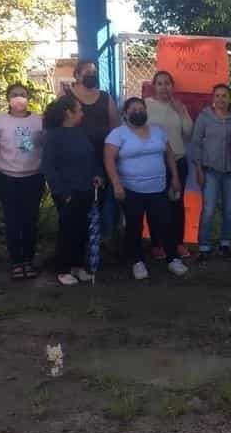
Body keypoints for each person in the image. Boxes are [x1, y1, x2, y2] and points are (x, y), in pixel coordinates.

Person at [104, 98, 187, 280]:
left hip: (158, 188)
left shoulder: (158, 132)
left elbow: (170, 155)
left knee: (165, 224)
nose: (138, 111)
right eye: (134, 109)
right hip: (131, 190)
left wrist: (174, 177)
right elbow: (109, 159)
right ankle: (137, 262)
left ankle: (173, 259)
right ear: (125, 113)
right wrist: (116, 183)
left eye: (141, 108)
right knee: (134, 226)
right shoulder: (118, 134)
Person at [41, 95, 103, 285]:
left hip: (85, 189)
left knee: (82, 229)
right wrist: (62, 192)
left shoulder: (80, 132)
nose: (82, 113)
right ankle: (63, 269)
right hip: (67, 192)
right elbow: (48, 167)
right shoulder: (53, 135)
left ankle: (78, 266)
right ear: (68, 113)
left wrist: (97, 174)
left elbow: (91, 157)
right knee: (68, 230)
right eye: (79, 109)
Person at [0, 84, 44, 280]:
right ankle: (16, 262)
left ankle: (28, 261)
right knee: (12, 221)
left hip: (34, 178)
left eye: (22, 94)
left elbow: (45, 147)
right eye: (14, 95)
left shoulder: (39, 121)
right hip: (7, 178)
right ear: (8, 99)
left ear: (28, 97)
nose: (19, 98)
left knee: (30, 221)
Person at [145, 71, 194, 259]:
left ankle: (178, 243)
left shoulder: (179, 106)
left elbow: (188, 133)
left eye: (167, 83)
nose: (164, 87)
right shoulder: (146, 105)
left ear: (172, 86)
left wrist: (181, 112)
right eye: (159, 83)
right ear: (154, 86)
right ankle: (157, 244)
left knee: (176, 204)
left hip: (179, 161)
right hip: (155, 162)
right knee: (156, 205)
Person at [67, 60, 120, 235]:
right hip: (75, 158)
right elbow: (57, 125)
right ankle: (80, 243)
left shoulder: (105, 97)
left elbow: (115, 126)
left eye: (94, 72)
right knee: (80, 199)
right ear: (77, 75)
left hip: (103, 156)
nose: (91, 76)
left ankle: (101, 241)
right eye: (87, 72)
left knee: (103, 199)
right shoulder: (67, 96)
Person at [190, 84, 231, 263]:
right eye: (217, 96)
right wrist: (198, 169)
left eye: (224, 96)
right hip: (210, 171)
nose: (220, 99)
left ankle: (225, 244)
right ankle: (204, 246)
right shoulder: (204, 117)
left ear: (229, 98)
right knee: (209, 209)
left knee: (230, 210)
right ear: (213, 98)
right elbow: (195, 143)